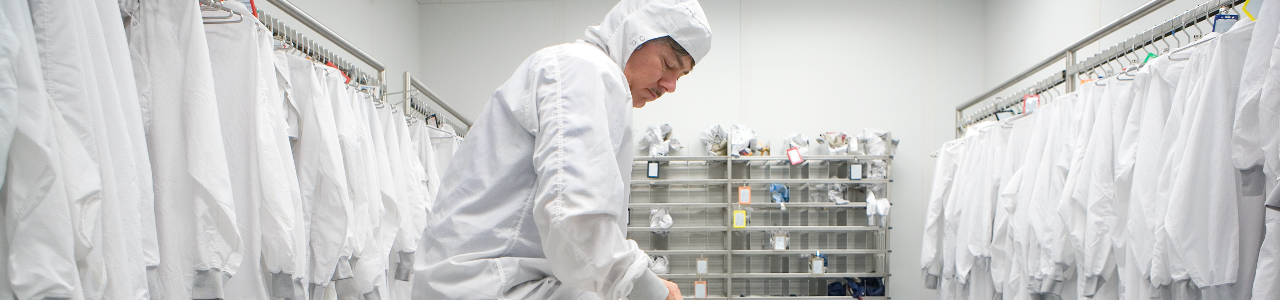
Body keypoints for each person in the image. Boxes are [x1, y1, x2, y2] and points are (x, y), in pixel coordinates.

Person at [413, 0, 711, 299]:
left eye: (681, 76)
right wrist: (647, 287)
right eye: (668, 65)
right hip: (488, 285)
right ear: (635, 34)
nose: (670, 85)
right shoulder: (586, 69)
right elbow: (576, 217)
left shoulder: (587, 74)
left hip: (498, 280)